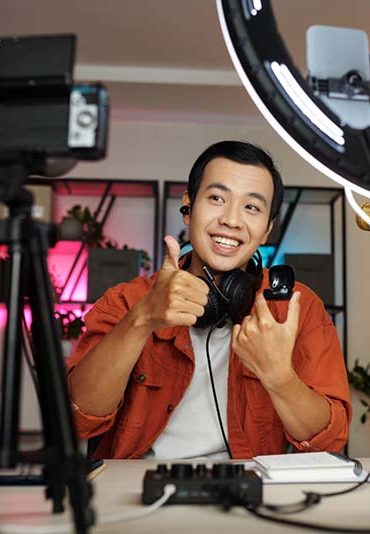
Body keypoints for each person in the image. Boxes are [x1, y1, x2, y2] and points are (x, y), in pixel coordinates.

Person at [67, 140, 352, 459]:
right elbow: (78, 417)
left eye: (252, 207)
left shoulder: (296, 307)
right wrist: (142, 319)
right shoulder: (127, 300)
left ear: (267, 230)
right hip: (141, 482)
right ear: (188, 208)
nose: (231, 220)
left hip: (249, 483)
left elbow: (329, 442)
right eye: (217, 198)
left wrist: (279, 377)